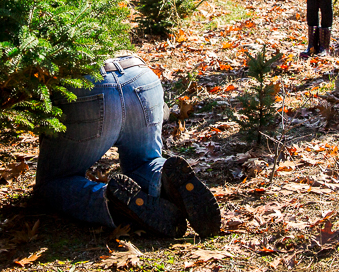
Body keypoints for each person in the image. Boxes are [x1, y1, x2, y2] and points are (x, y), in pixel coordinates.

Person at [34, 54, 221, 237]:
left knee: (53, 182)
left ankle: (113, 201)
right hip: (141, 77)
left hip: (87, 89)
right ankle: (164, 177)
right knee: (144, 161)